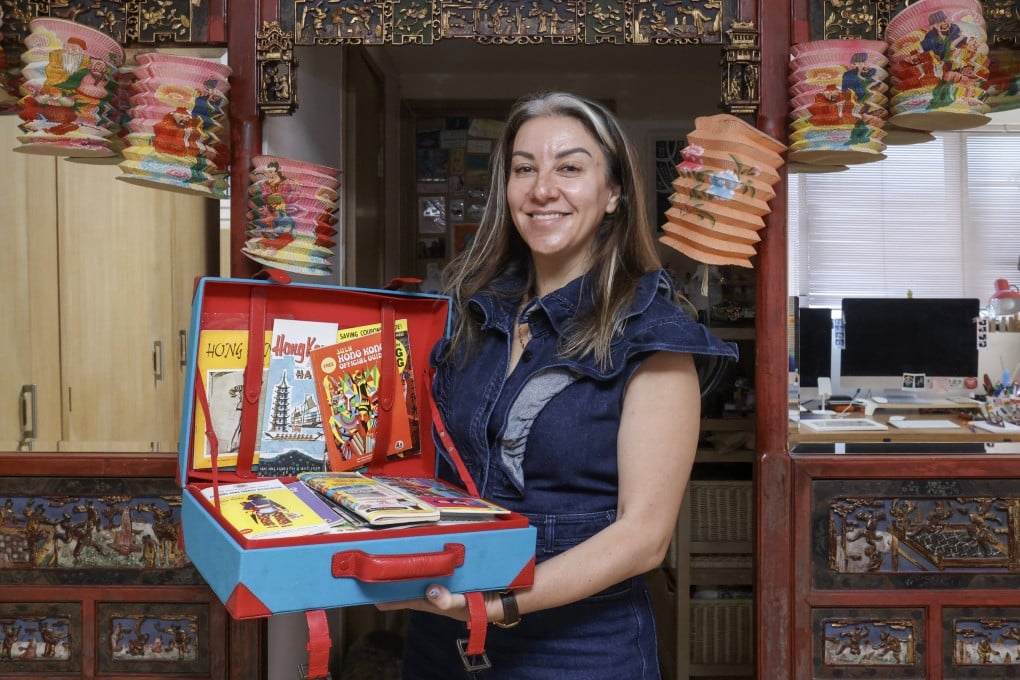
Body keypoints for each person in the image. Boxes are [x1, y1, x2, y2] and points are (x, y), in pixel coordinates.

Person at [377, 91, 737, 678]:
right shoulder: (466, 315)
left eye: (569, 167)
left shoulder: (656, 335)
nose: (543, 188)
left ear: (614, 191)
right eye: (525, 169)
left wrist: (500, 604)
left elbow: (645, 537)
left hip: (581, 648)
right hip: (442, 634)